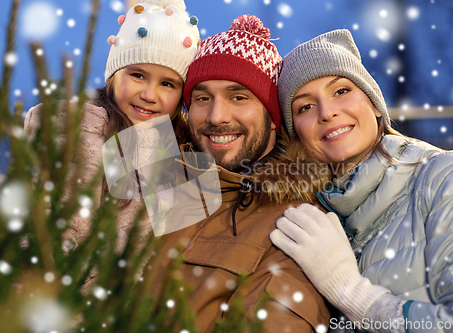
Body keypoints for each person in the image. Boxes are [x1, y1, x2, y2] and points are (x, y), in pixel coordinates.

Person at [144, 15, 331, 333]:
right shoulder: (160, 177)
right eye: (203, 99)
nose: (217, 117)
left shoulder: (294, 223)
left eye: (239, 97)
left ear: (273, 118)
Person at [271, 29, 453, 332]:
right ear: (296, 137)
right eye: (305, 107)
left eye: (341, 91)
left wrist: (354, 294)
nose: (327, 112)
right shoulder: (313, 217)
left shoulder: (447, 177)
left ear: (374, 103)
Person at [24, 0, 200, 253]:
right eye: (138, 75)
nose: (150, 95)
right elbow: (49, 248)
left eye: (168, 84)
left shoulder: (184, 151)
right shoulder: (77, 135)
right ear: (113, 74)